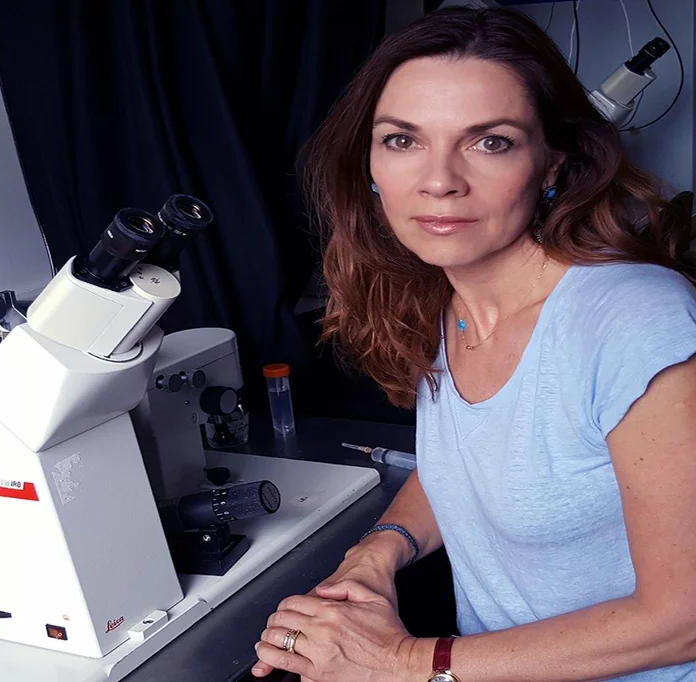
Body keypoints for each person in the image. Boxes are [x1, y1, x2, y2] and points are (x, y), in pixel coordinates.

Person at [251, 7, 696, 682]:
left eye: (490, 142)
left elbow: (685, 617)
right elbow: (472, 467)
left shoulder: (634, 320)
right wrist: (381, 549)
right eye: (403, 141)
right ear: (368, 165)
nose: (439, 180)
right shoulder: (448, 298)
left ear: (553, 164)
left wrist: (404, 663)